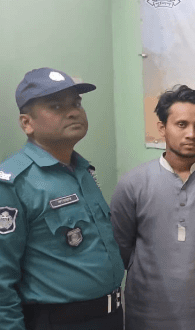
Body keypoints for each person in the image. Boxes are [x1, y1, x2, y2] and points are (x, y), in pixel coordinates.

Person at [110, 85, 195, 330]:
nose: (191, 134)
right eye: (181, 124)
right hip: (148, 312)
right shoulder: (133, 183)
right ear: (162, 128)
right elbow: (122, 245)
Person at [0, 68, 124, 330]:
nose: (73, 112)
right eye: (56, 106)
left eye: (76, 104)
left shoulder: (82, 170)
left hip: (109, 317)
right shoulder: (14, 182)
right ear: (27, 123)